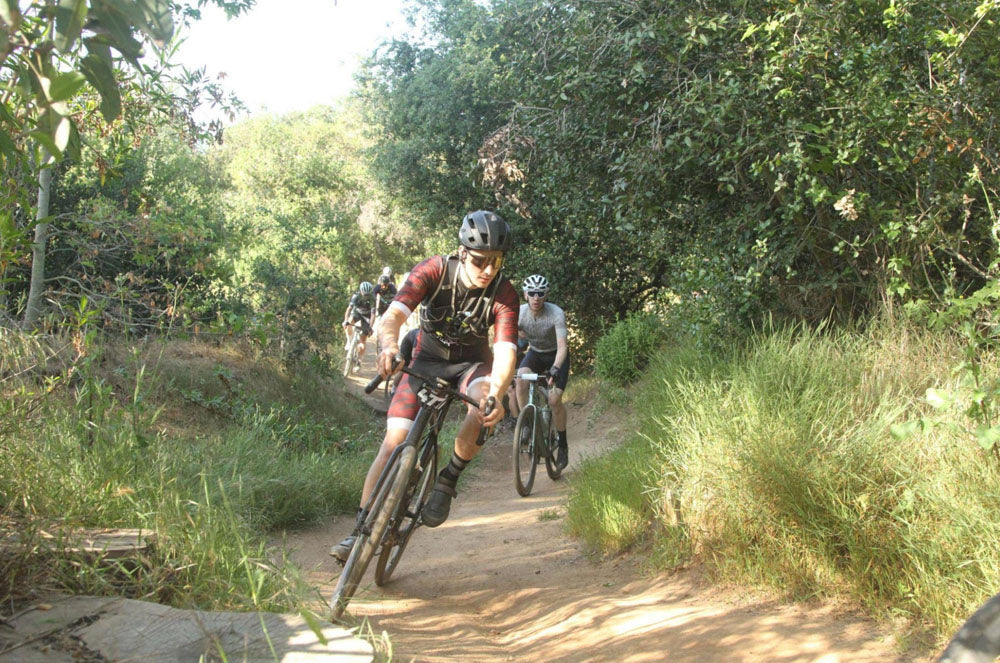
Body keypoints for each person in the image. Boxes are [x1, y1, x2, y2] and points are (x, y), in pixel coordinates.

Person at [330, 210, 519, 561]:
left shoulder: (505, 293)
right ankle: (358, 532)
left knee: (484, 404)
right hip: (426, 359)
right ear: (463, 252)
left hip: (472, 364)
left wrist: (496, 393)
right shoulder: (433, 269)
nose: (489, 270)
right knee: (393, 442)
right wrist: (388, 346)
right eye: (481, 261)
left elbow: (506, 350)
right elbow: (395, 315)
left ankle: (448, 478)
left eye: (497, 262)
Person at [514, 274, 571, 469]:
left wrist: (555, 369)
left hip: (557, 356)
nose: (536, 297)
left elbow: (563, 347)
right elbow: (509, 338)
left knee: (554, 400)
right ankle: (527, 424)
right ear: (525, 294)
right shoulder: (519, 314)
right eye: (532, 293)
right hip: (536, 354)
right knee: (520, 379)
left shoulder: (556, 313)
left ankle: (562, 444)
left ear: (546, 295)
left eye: (540, 293)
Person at [341, 281, 375, 368]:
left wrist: (370, 327)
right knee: (349, 321)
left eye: (367, 294)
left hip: (366, 316)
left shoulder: (372, 298)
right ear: (360, 291)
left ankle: (359, 361)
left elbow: (373, 314)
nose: (365, 295)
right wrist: (345, 321)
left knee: (363, 340)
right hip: (357, 313)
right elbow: (349, 309)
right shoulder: (356, 296)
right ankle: (349, 341)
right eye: (364, 293)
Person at [372, 273, 398, 342]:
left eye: (385, 285)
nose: (383, 287)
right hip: (382, 306)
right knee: (380, 320)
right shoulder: (377, 287)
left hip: (390, 305)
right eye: (382, 285)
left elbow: (397, 298)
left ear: (388, 284)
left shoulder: (392, 288)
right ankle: (379, 334)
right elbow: (373, 296)